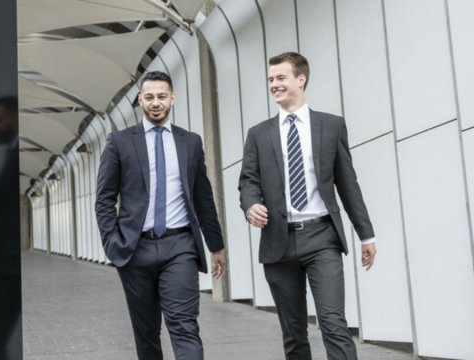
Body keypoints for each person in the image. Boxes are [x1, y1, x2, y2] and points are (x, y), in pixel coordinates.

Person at [238, 52, 377, 360]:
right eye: (271, 79)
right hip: (278, 242)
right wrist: (251, 206)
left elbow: (347, 184)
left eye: (281, 78)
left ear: (301, 79)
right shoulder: (258, 135)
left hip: (322, 237)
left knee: (333, 323)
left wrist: (366, 235)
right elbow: (248, 181)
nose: (274, 84)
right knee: (293, 332)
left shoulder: (331, 126)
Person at [95, 71, 226, 360]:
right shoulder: (119, 141)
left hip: (180, 247)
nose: (156, 103)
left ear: (172, 98)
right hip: (134, 249)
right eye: (150, 97)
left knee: (184, 326)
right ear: (141, 100)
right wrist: (112, 243)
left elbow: (203, 196)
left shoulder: (190, 142)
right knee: (146, 334)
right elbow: (104, 198)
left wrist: (216, 245)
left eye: (162, 96)